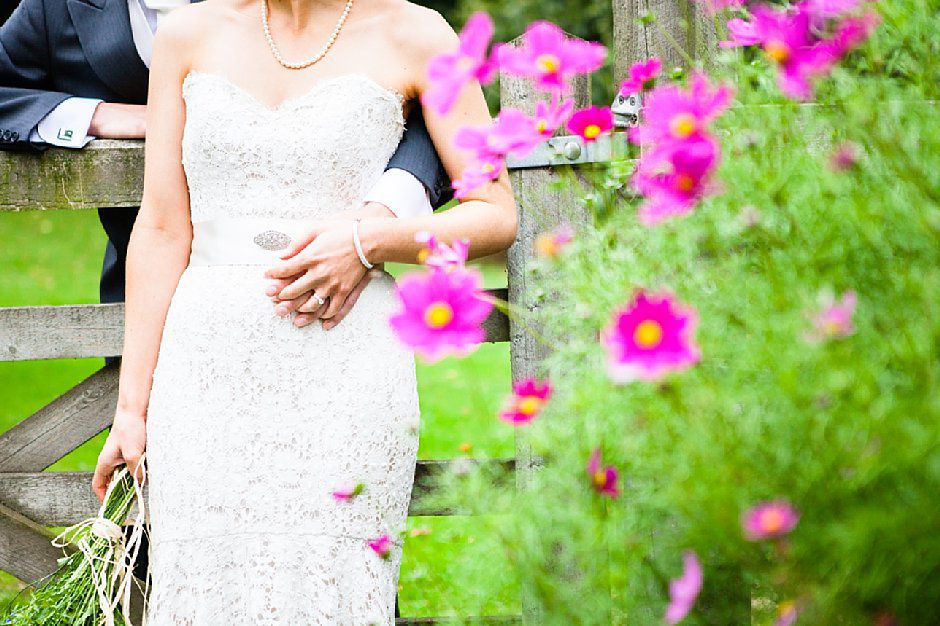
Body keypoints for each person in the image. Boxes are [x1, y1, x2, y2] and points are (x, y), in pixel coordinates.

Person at [89, 0, 518, 622]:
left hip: (343, 360)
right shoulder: (186, 35)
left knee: (330, 586)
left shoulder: (415, 31)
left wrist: (371, 243)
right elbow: (159, 229)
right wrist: (131, 409)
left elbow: (495, 213)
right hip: (206, 367)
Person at [0, 0, 453, 330]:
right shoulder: (52, 7)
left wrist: (380, 218)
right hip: (148, 290)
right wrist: (96, 115)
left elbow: (412, 96)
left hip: (335, 293)